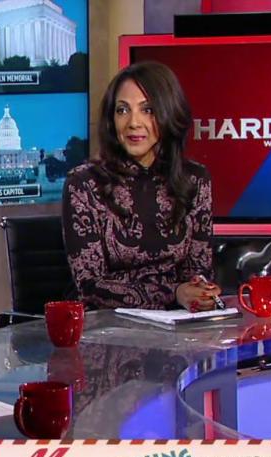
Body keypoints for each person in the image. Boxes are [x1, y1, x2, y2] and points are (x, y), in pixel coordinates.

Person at [62, 61, 219, 311]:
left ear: (169, 112)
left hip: (180, 322)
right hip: (108, 323)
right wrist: (173, 294)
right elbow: (89, 286)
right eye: (122, 110)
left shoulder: (194, 179)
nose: (133, 122)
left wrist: (199, 291)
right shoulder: (84, 183)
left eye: (147, 110)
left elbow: (198, 270)